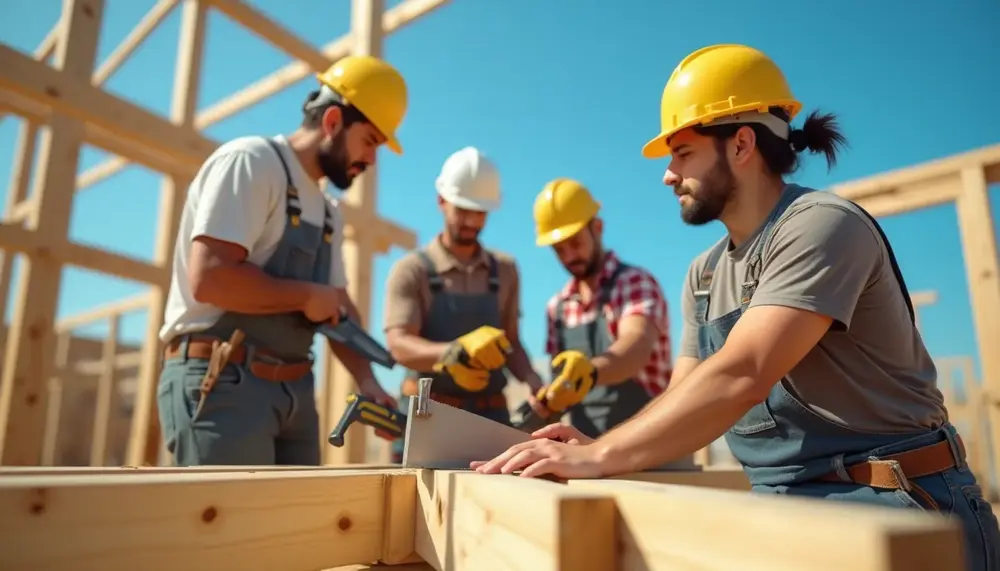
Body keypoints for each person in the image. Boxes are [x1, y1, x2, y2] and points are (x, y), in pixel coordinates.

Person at [471, 43, 1000, 570]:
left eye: (682, 154)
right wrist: (603, 445)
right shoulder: (704, 276)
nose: (667, 175)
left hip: (899, 504)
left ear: (742, 144)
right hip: (787, 510)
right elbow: (684, 399)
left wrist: (596, 456)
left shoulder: (820, 225)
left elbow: (742, 371)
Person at [156, 54, 404, 466]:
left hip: (295, 393)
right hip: (221, 382)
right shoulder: (252, 163)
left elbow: (338, 307)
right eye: (371, 141)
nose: (372, 160)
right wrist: (306, 295)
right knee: (231, 527)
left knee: (294, 527)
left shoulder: (328, 211)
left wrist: (367, 379)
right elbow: (212, 279)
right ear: (332, 123)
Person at [383, 146, 546, 462]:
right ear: (441, 201)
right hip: (429, 418)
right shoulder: (413, 270)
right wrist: (453, 354)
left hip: (491, 420)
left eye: (480, 212)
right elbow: (398, 345)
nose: (472, 220)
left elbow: (511, 341)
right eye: (463, 209)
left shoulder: (506, 270)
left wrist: (534, 382)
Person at [528, 178, 673, 439]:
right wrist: (548, 399)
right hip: (587, 452)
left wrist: (590, 372)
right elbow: (562, 385)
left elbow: (635, 346)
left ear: (598, 227)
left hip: (652, 445)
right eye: (559, 250)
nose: (569, 256)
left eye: (575, 243)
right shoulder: (557, 308)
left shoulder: (635, 283)